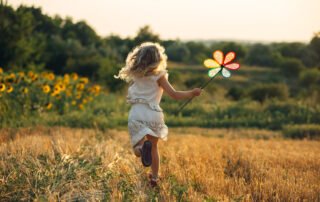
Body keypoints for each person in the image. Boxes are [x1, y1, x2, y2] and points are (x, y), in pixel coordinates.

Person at [115, 42, 202, 187]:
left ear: (139, 58)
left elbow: (130, 95)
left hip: (137, 113)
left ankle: (142, 149)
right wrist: (192, 93)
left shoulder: (136, 75)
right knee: (154, 147)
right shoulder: (160, 76)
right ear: (158, 59)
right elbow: (174, 94)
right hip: (154, 114)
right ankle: (154, 179)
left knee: (137, 147)